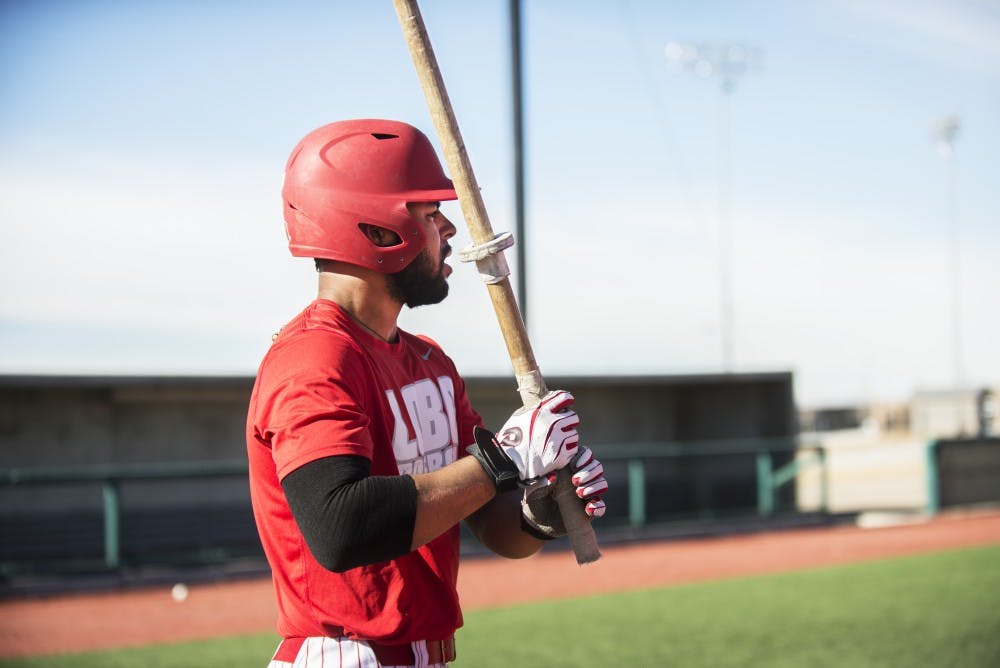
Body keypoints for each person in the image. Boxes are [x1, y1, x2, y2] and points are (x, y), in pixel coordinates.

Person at [247, 119, 608, 668]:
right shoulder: (314, 357)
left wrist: (537, 511)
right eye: (429, 213)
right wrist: (502, 457)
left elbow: (491, 520)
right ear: (375, 228)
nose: (450, 229)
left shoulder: (429, 361)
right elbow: (340, 528)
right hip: (347, 655)